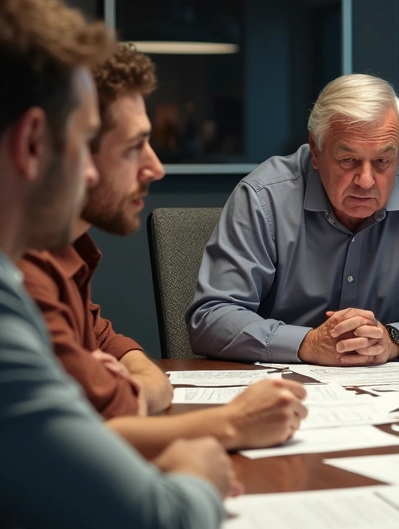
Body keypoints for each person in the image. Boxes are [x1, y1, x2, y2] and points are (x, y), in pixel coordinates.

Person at [0, 0, 229, 529]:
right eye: (83, 140)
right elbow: (156, 527)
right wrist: (198, 473)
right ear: (33, 144)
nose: (90, 174)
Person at [20, 44, 308, 458]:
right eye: (134, 146)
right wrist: (229, 424)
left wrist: (131, 383)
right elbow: (82, 435)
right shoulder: (16, 274)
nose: (156, 168)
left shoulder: (65, 254)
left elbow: (116, 350)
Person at [188, 73, 399, 364]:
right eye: (348, 160)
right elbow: (211, 317)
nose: (366, 181)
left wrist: (393, 340)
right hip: (283, 392)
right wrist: (307, 344)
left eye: (383, 160)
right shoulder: (263, 196)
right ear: (316, 151)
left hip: (389, 391)